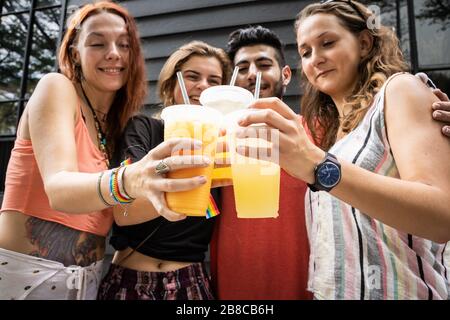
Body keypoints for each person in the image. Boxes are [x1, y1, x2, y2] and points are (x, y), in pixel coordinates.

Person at [211, 25, 450, 300]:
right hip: (234, 289)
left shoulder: (329, 132)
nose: (253, 73)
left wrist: (429, 121)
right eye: (242, 68)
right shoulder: (217, 139)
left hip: (313, 289)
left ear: (286, 74)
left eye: (264, 64)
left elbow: (406, 158)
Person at [0, 2, 210, 300]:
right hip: (26, 278)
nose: (113, 53)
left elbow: (121, 212)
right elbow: (59, 188)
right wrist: (129, 180)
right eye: (98, 43)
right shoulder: (56, 88)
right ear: (74, 51)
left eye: (124, 45)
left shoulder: (117, 126)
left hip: (89, 282)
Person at [97, 40, 232, 300]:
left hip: (191, 284)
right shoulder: (145, 129)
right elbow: (124, 212)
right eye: (192, 76)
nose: (203, 85)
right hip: (131, 279)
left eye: (213, 81)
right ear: (171, 85)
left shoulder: (224, 145)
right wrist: (192, 184)